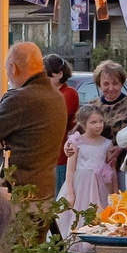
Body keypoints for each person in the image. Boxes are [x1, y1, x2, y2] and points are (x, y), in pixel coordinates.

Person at [0, 40, 68, 193]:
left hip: (17, 192)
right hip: (45, 188)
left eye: (6, 69)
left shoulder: (20, 98)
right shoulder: (57, 95)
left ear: (13, 68)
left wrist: (1, 141)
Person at [65, 105, 119, 208]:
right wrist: (70, 194)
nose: (99, 125)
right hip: (81, 184)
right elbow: (70, 170)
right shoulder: (76, 142)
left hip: (101, 185)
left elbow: (112, 169)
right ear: (83, 124)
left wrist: (115, 192)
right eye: (93, 122)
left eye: (101, 121)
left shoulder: (107, 143)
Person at [46, 54, 80, 192]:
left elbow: (54, 119)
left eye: (48, 76)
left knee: (59, 195)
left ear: (60, 74)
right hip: (49, 156)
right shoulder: (51, 94)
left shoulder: (69, 93)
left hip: (62, 155)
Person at [89, 58, 127, 140]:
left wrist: (122, 148)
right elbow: (78, 130)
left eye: (115, 83)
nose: (111, 88)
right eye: (106, 84)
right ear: (99, 85)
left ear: (121, 84)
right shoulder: (92, 106)